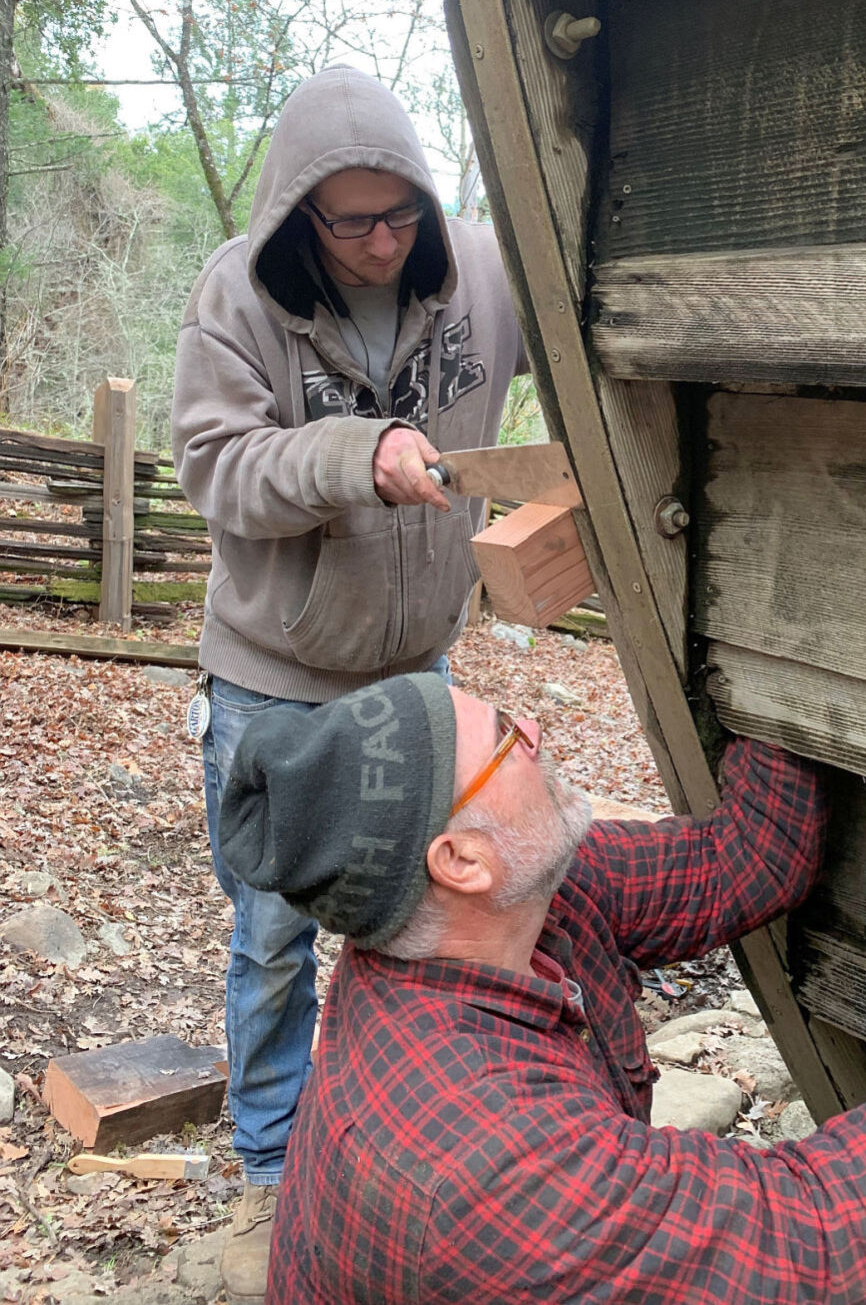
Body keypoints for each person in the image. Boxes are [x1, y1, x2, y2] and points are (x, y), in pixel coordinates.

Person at [217, 672, 866, 1305]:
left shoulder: (511, 908)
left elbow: (743, 859)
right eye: (509, 741)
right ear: (460, 858)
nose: (539, 731)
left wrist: (784, 666)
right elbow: (806, 1230)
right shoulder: (480, 1160)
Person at [171, 64, 526, 1303]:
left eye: (402, 216)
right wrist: (351, 455)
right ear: (299, 220)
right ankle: (274, 1152)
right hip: (276, 677)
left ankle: (384, 1127)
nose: (383, 245)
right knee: (274, 931)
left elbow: (578, 341)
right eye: (354, 223)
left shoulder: (476, 265)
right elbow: (213, 466)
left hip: (413, 663)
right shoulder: (238, 292)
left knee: (413, 912)